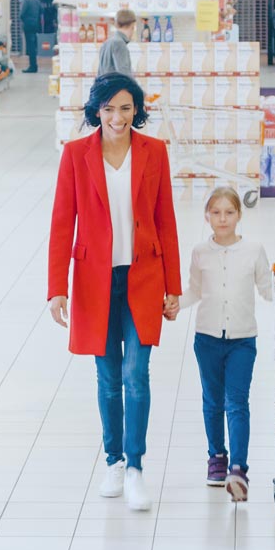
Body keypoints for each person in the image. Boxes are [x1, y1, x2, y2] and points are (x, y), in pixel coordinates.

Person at [47, 73, 182, 512]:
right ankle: (114, 461)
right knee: (108, 378)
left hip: (143, 278)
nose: (117, 117)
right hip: (94, 281)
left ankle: (137, 467)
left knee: (135, 374)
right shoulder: (75, 156)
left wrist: (174, 287)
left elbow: (166, 222)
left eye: (125, 108)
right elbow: (62, 224)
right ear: (96, 111)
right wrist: (56, 288)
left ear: (136, 110)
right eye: (108, 108)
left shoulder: (154, 152)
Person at [179, 187, 273, 502]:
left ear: (239, 215)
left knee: (237, 402)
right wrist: (174, 304)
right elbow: (194, 291)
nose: (222, 219)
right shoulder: (199, 252)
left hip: (242, 340)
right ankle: (216, 457)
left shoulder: (254, 250)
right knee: (212, 401)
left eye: (229, 212)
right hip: (206, 338)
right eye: (216, 213)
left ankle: (238, 469)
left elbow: (267, 289)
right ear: (207, 216)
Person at [98, 9, 137, 76]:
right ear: (132, 25)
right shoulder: (119, 44)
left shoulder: (106, 43)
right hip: (116, 86)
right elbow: (124, 76)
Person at [19, 0, 44, 74]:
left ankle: (32, 66)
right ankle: (34, 65)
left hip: (28, 25)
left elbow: (21, 14)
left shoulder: (26, 0)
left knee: (30, 46)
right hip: (35, 25)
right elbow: (42, 10)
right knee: (33, 46)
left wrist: (24, 20)